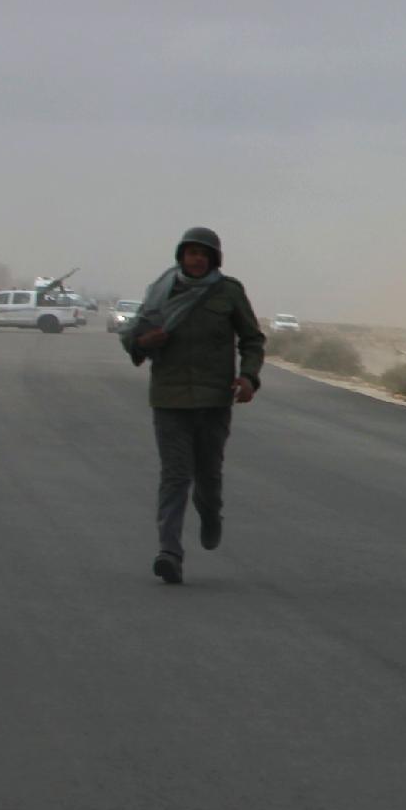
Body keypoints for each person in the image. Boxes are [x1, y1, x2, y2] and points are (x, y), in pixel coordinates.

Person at [119, 227, 265, 585]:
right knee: (175, 476)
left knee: (208, 476)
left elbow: (252, 340)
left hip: (214, 400)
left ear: (214, 258)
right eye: (190, 252)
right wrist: (144, 341)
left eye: (203, 253)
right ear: (181, 256)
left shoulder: (228, 292)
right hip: (170, 399)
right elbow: (133, 338)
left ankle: (211, 513)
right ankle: (169, 552)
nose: (196, 258)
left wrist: (248, 378)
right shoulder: (162, 292)